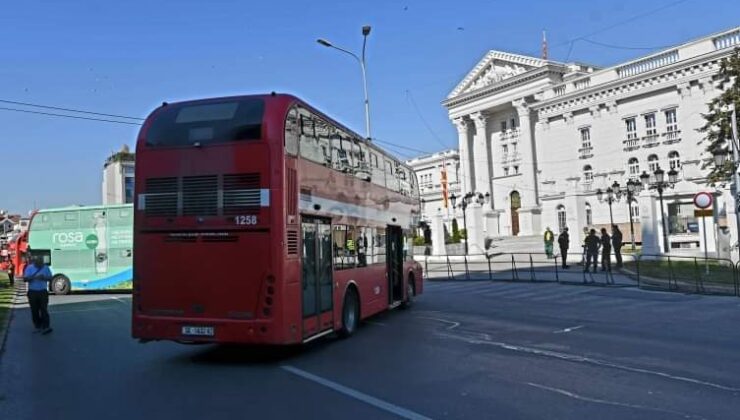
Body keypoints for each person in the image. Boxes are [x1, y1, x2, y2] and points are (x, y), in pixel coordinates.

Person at [24, 255, 53, 334]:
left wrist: (44, 277)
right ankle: (37, 325)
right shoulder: (29, 268)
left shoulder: (46, 268)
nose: (40, 264)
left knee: (44, 309)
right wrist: (33, 277)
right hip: (32, 291)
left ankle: (46, 326)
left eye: (41, 262)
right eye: (38, 262)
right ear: (35, 262)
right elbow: (25, 279)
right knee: (34, 310)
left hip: (43, 291)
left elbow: (50, 278)